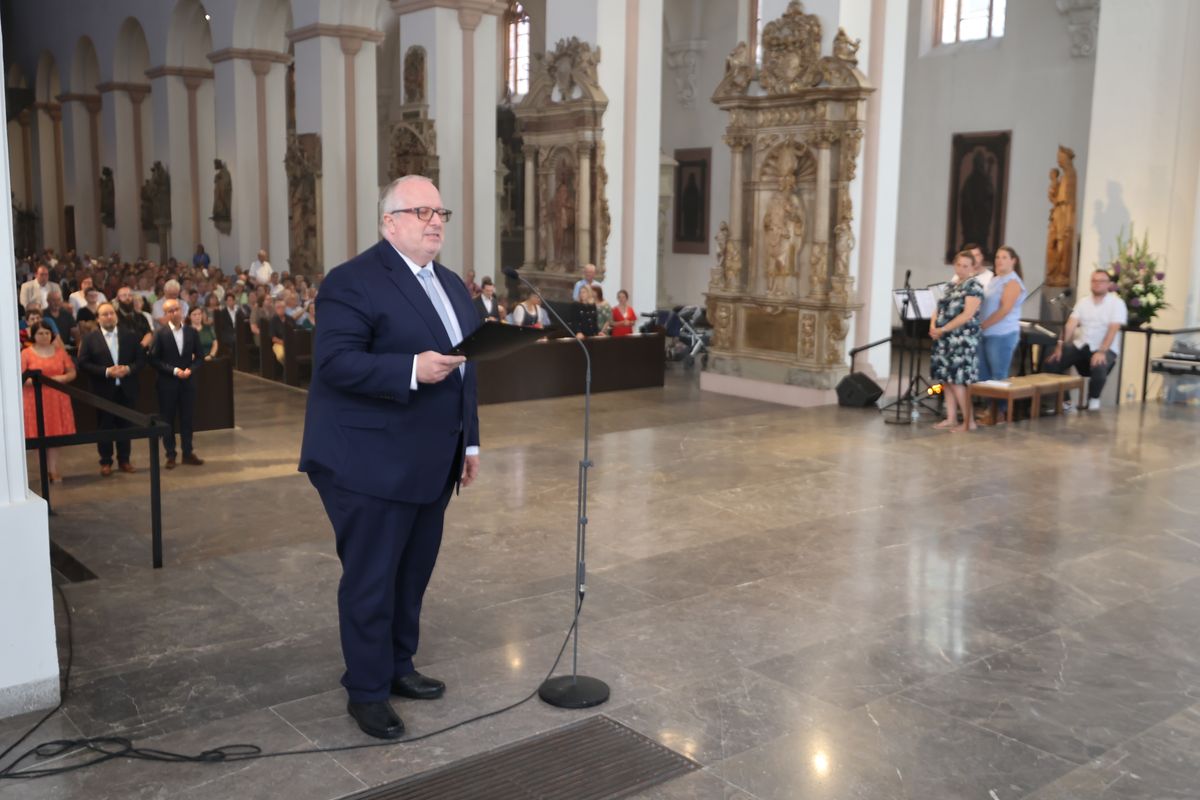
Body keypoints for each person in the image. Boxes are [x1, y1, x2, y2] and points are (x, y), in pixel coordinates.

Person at [299, 175, 480, 741]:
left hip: (431, 458)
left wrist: (468, 442)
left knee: (412, 573)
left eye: (440, 212)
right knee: (372, 578)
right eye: (420, 211)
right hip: (366, 461)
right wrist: (409, 369)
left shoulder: (450, 285)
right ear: (389, 222)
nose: (434, 221)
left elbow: (464, 368)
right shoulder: (353, 282)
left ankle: (400, 665)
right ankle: (368, 690)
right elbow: (335, 363)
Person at [75, 302, 146, 475]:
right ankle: (105, 462)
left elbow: (141, 360)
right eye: (104, 314)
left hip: (126, 389)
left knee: (125, 426)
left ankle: (124, 460)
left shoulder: (130, 335)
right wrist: (106, 371)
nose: (109, 317)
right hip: (103, 391)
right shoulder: (90, 339)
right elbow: (83, 363)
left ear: (116, 316)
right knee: (104, 426)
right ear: (98, 319)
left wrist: (128, 369)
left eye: (111, 313)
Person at [1043, 268, 1127, 411]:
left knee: (1099, 365)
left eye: (1101, 281)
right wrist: (1059, 345)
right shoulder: (1083, 302)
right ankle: (1066, 402)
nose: (1097, 284)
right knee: (1052, 361)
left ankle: (1093, 401)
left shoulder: (1116, 303)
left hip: (1105, 348)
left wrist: (1101, 351)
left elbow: (1113, 329)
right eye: (1094, 281)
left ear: (1108, 284)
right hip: (1082, 345)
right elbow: (1070, 325)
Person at [930, 250, 983, 432]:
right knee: (946, 380)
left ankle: (969, 422)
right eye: (958, 265)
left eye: (965, 266)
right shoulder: (951, 285)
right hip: (945, 340)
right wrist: (932, 326)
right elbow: (938, 308)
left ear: (973, 267)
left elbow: (967, 314)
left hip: (961, 340)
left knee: (958, 380)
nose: (961, 269)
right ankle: (951, 418)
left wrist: (943, 328)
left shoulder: (974, 286)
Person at [149, 299, 204, 468]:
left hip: (187, 382)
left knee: (187, 418)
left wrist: (191, 369)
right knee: (168, 419)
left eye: (177, 309)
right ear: (165, 315)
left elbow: (200, 357)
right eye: (170, 311)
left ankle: (187, 452)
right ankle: (170, 454)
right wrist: (174, 371)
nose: (174, 313)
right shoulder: (160, 333)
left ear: (181, 311)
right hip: (167, 383)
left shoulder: (191, 332)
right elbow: (153, 359)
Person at [21, 322, 76, 483]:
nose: (44, 336)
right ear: (34, 336)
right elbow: (21, 377)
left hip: (57, 399)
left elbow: (72, 371)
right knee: (39, 435)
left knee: (55, 435)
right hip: (35, 399)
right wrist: (40, 381)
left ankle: (53, 469)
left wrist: (63, 378)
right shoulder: (26, 354)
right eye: (40, 333)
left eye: (47, 333)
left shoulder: (59, 352)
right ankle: (43, 471)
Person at [976, 245, 1026, 424]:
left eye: (1004, 257)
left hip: (1002, 334)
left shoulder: (1012, 282)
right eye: (997, 257)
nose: (999, 260)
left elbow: (1005, 309)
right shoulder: (995, 279)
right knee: (984, 374)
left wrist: (983, 325)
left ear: (1013, 261)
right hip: (986, 333)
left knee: (998, 375)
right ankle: (991, 408)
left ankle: (1001, 413)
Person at [269, 298, 290, 364]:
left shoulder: (290, 319)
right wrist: (284, 343)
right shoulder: (273, 321)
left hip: (290, 343)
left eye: (283, 307)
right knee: (282, 355)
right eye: (279, 307)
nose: (281, 309)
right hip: (278, 343)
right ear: (276, 309)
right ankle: (287, 369)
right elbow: (273, 338)